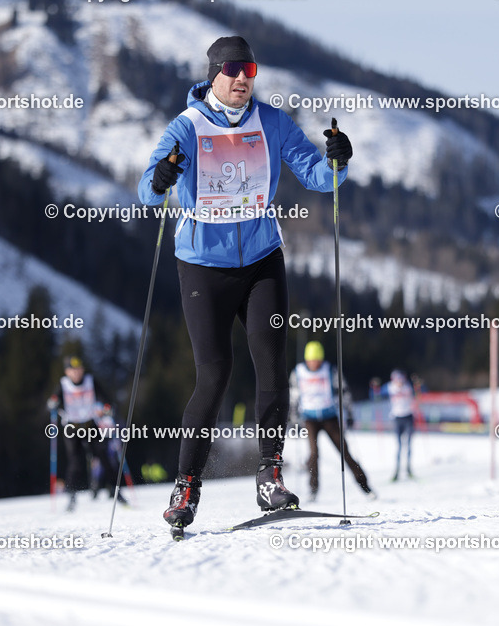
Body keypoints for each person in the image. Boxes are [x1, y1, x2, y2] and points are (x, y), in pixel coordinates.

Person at [138, 35, 353, 531]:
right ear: (213, 74)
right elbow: (148, 190)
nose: (241, 78)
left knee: (272, 365)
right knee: (214, 373)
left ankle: (270, 475)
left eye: (249, 70)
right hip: (202, 266)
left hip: (261, 259)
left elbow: (318, 176)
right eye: (232, 70)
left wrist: (338, 161)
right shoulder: (187, 127)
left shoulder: (272, 122)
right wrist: (161, 179)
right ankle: (186, 486)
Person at [289, 341, 374, 500]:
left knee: (344, 452)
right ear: (307, 360)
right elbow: (294, 396)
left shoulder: (330, 370)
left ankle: (365, 486)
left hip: (329, 417)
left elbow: (344, 391)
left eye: (317, 360)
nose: (314, 364)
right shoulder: (298, 373)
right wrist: (294, 419)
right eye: (311, 360)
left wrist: (349, 413)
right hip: (310, 419)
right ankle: (313, 490)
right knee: (313, 454)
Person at [46, 356, 127, 511]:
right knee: (75, 462)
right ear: (67, 372)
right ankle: (71, 495)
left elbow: (105, 398)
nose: (76, 373)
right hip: (72, 427)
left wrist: (108, 407)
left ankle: (115, 490)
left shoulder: (90, 381)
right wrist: (52, 404)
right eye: (73, 370)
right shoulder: (63, 384)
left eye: (79, 369)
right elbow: (53, 401)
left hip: (90, 424)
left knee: (103, 456)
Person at [387, 369, 416, 482]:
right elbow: (376, 393)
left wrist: (418, 385)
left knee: (408, 445)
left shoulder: (408, 387)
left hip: (408, 417)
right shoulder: (390, 387)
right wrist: (374, 387)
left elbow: (419, 392)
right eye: (397, 379)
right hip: (397, 418)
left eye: (401, 379)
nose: (399, 382)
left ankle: (408, 469)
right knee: (399, 446)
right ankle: (397, 470)